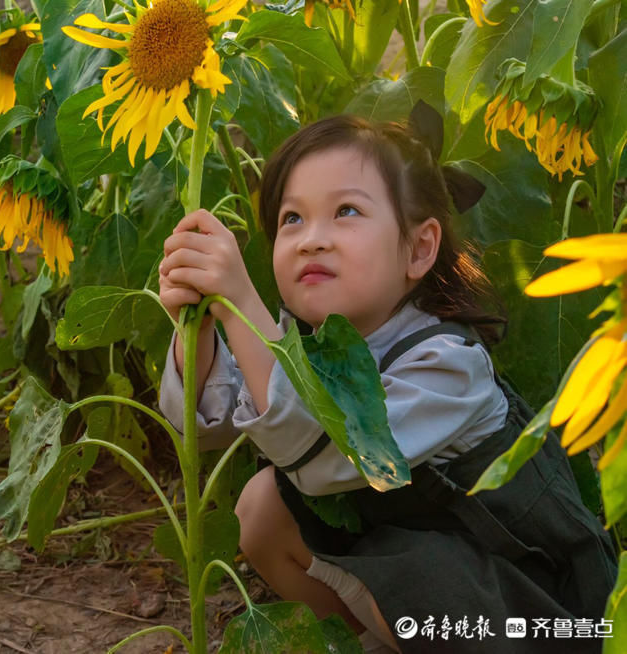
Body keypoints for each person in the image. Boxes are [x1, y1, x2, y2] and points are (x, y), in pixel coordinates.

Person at [157, 109, 618, 653]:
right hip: (441, 591)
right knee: (263, 508)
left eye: (346, 211)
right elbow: (212, 422)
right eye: (291, 219)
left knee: (427, 580)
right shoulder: (313, 344)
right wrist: (203, 331)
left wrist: (241, 303)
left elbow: (331, 451)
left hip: (543, 614)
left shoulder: (448, 365)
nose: (311, 240)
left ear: (420, 249)